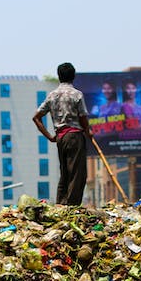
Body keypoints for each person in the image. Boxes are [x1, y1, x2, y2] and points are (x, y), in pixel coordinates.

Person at [33, 62, 93, 205]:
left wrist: (50, 137)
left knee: (65, 173)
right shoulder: (76, 94)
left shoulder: (52, 96)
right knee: (77, 174)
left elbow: (36, 117)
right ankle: (71, 206)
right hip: (75, 136)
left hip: (60, 137)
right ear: (73, 77)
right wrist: (88, 131)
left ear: (59, 77)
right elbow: (83, 117)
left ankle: (61, 204)